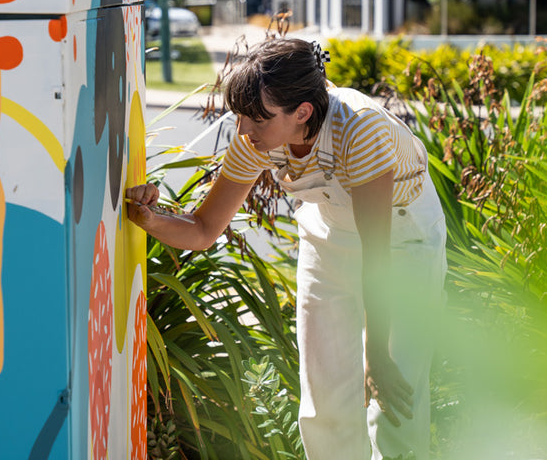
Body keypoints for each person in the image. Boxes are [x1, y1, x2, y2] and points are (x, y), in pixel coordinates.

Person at [126, 37, 447, 460]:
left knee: (395, 396)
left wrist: (378, 355)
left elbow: (377, 258)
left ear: (303, 113)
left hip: (400, 244)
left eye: (257, 121)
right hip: (328, 232)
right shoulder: (258, 136)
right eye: (241, 118)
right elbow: (204, 229)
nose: (244, 132)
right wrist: (151, 219)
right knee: (325, 402)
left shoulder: (361, 130)